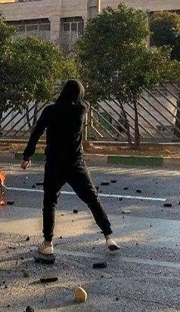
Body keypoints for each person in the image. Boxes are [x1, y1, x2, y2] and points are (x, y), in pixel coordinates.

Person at [20, 79, 119, 256]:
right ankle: (109, 236)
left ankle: (48, 243)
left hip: (54, 164)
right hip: (76, 164)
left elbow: (36, 133)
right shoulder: (81, 109)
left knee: (50, 203)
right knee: (93, 200)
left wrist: (27, 156)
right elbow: (84, 101)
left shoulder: (50, 111)